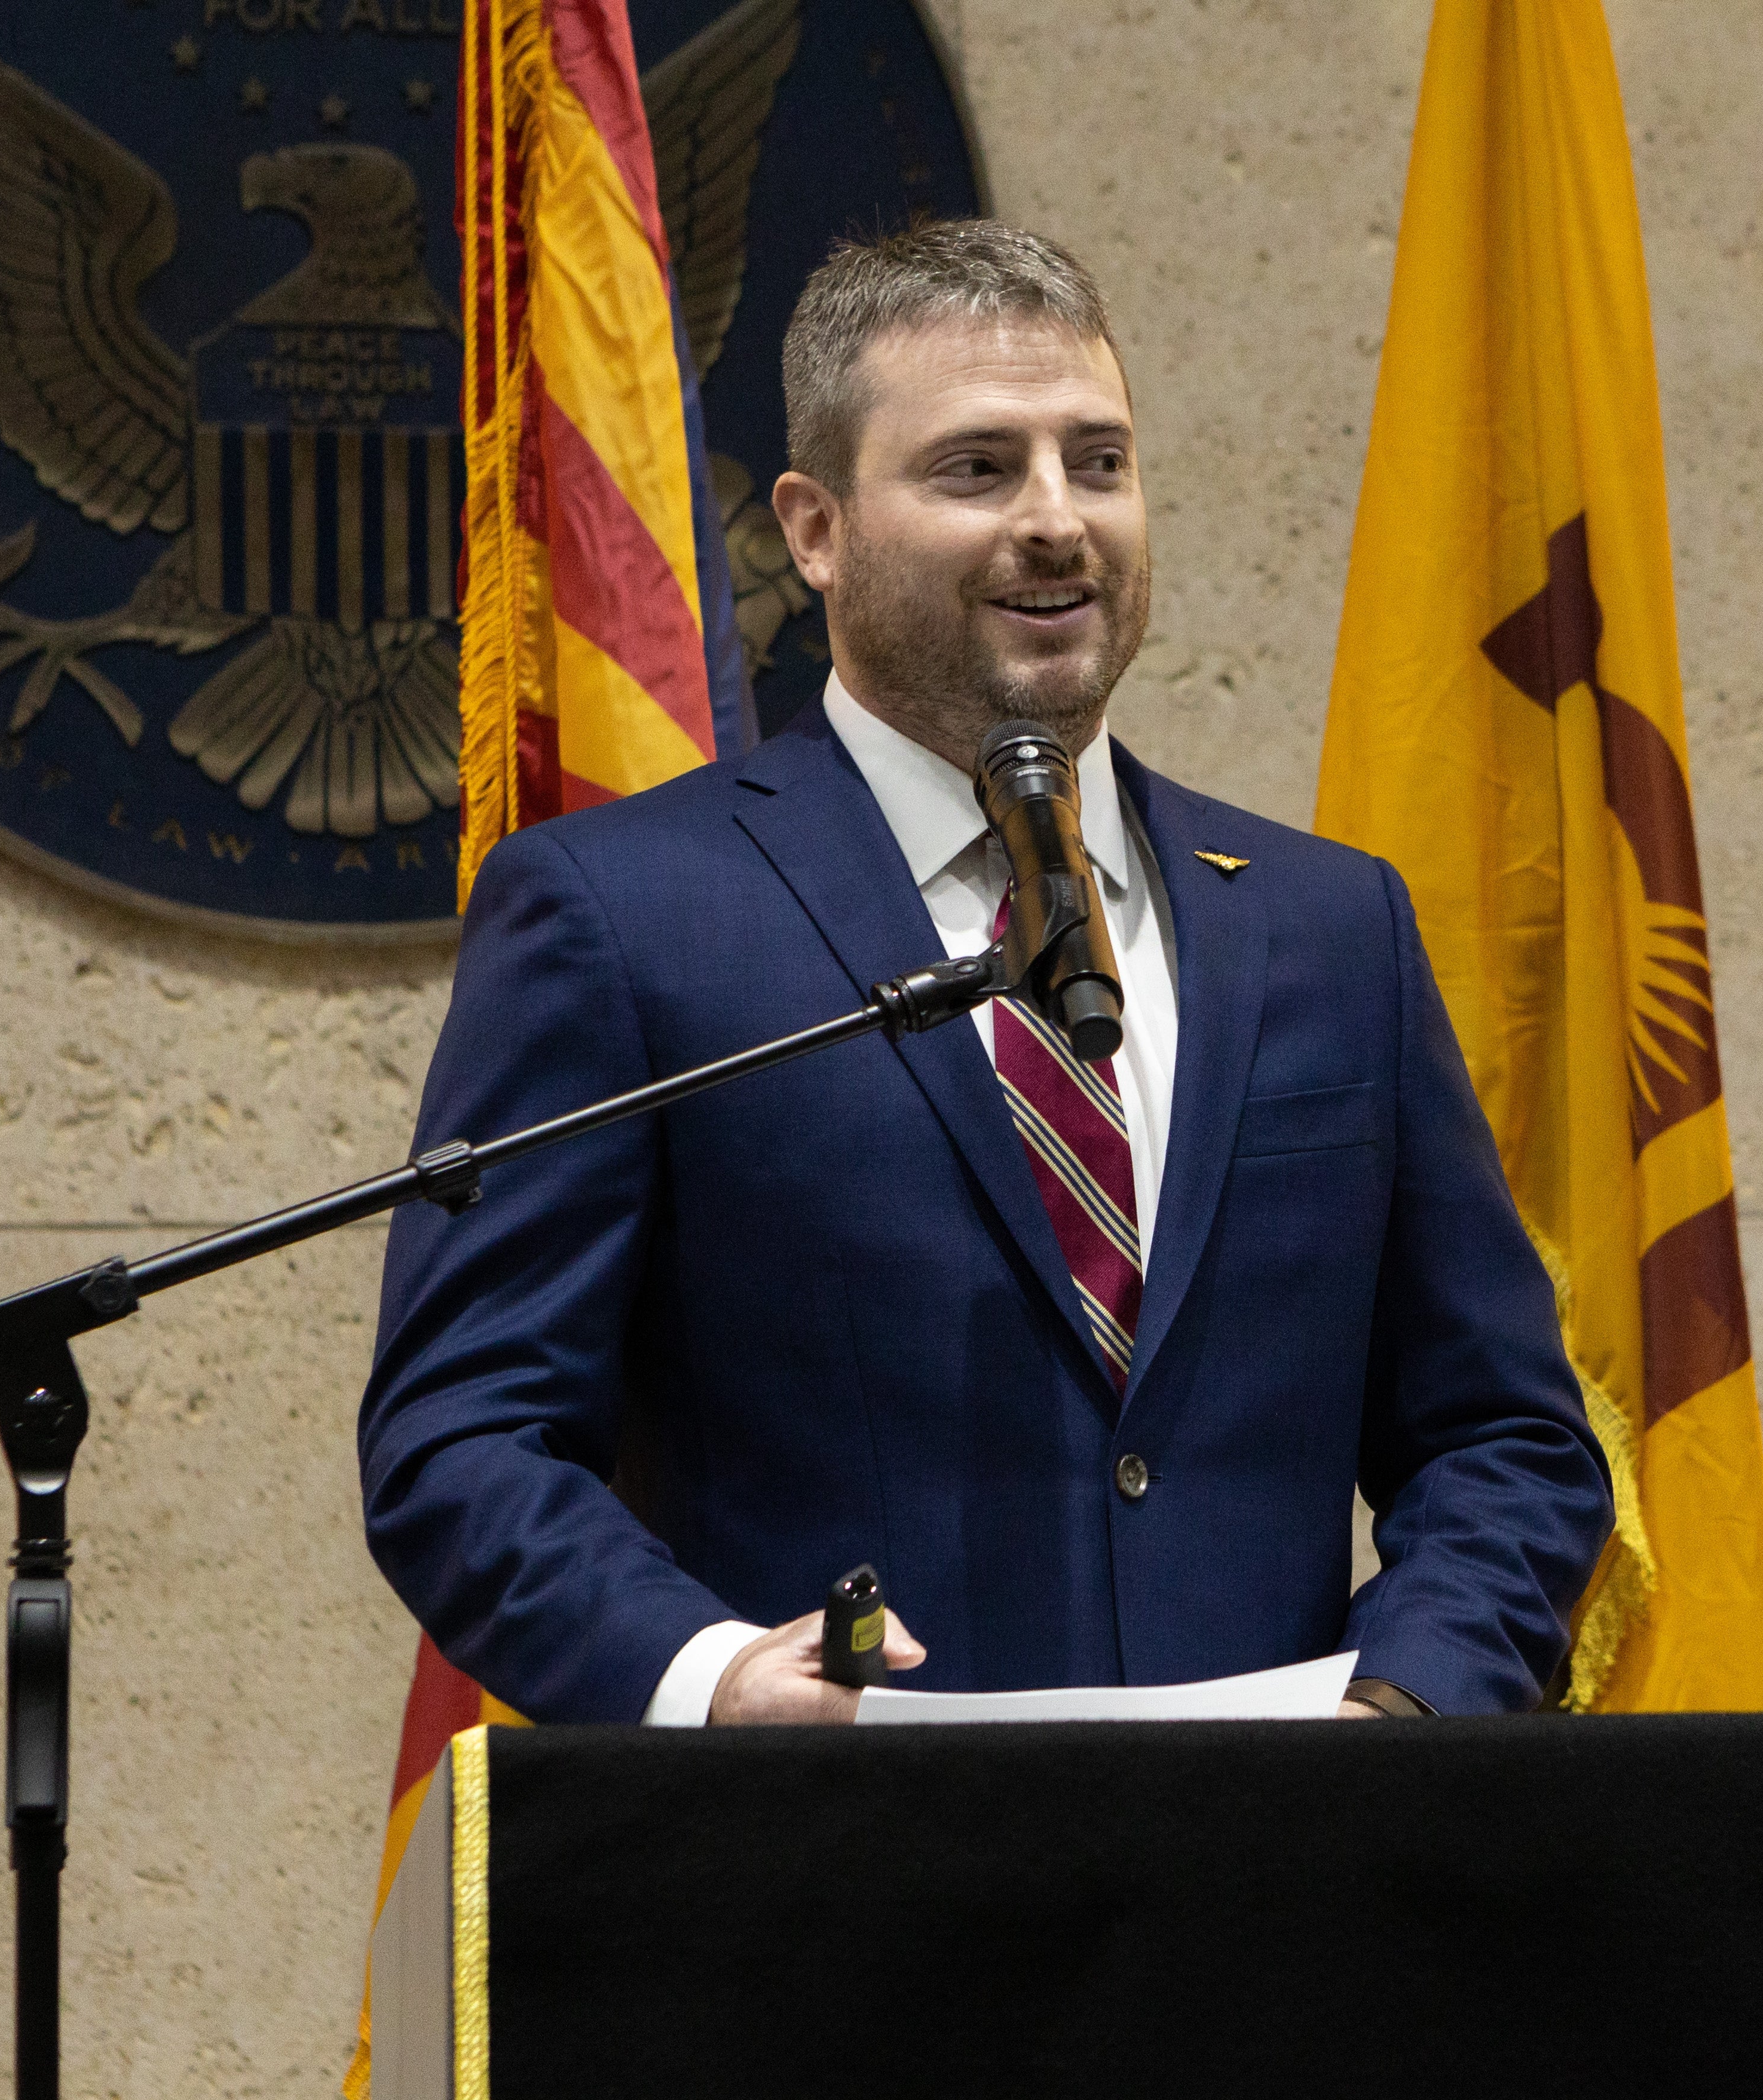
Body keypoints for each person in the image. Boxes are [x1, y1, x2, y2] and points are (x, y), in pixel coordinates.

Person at [357, 222, 1610, 1724]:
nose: (1057, 521)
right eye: (976, 469)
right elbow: (464, 1431)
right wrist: (710, 1680)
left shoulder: (1328, 926)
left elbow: (1502, 1438)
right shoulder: (623, 916)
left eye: (1097, 461)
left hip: (1276, 1888)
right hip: (837, 1879)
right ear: (814, 531)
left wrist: (1405, 1704)